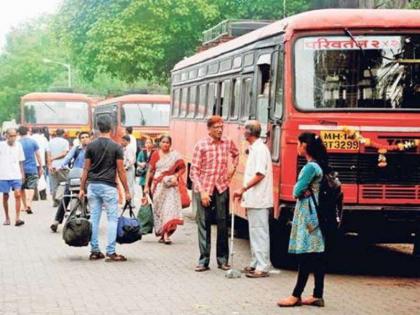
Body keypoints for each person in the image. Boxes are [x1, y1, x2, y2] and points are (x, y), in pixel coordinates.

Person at [277, 132, 327, 308]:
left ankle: (296, 295)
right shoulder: (319, 165)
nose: (297, 147)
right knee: (317, 254)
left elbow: (296, 191)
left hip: (308, 214)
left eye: (299, 144)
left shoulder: (310, 168)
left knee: (305, 254)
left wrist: (301, 190)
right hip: (315, 214)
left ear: (305, 146)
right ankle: (317, 294)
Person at [190, 115, 239, 272]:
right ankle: (204, 260)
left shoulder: (227, 143)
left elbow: (236, 153)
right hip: (204, 188)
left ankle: (222, 259)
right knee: (204, 223)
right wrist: (203, 191)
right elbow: (194, 172)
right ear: (209, 129)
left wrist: (233, 168)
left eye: (221, 127)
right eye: (216, 128)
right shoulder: (201, 145)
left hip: (222, 187)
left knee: (223, 223)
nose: (219, 130)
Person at [79, 115, 131, 262]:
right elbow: (121, 171)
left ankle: (95, 251)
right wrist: (127, 191)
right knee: (112, 219)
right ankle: (111, 251)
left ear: (97, 128)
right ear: (112, 128)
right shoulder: (116, 147)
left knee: (94, 219)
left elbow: (85, 169)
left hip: (93, 186)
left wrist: (82, 188)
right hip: (108, 187)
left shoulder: (91, 146)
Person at [233, 120, 273, 278]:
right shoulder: (255, 148)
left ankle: (263, 265)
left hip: (259, 197)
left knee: (259, 232)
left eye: (245, 130)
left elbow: (260, 173)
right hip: (254, 198)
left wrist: (243, 188)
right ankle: (255, 262)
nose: (243, 132)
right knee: (254, 231)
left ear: (249, 133)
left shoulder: (260, 150)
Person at [143, 135, 185, 244]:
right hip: (158, 186)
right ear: (160, 143)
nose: (165, 144)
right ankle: (162, 233)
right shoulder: (156, 154)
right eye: (163, 142)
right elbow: (150, 171)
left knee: (169, 209)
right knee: (159, 210)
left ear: (170, 144)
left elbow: (182, 168)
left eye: (167, 142)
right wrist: (146, 186)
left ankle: (166, 235)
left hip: (171, 186)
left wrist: (175, 176)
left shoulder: (175, 155)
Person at [50, 131, 90, 232]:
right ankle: (56, 221)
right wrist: (59, 167)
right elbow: (67, 159)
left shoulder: (93, 149)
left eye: (86, 137)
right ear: (80, 140)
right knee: (66, 195)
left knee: (91, 196)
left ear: (90, 138)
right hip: (75, 175)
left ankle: (92, 218)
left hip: (88, 177)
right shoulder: (76, 149)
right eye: (82, 137)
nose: (85, 139)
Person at [0, 128, 25, 226]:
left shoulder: (19, 145)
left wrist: (22, 173)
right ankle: (7, 218)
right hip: (3, 175)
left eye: (15, 136)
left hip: (16, 174)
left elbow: (21, 161)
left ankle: (18, 218)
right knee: (5, 196)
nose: (13, 138)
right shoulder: (1, 146)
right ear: (6, 136)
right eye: (11, 136)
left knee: (18, 194)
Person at [18, 126, 43, 214]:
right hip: (32, 168)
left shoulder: (17, 143)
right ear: (28, 132)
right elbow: (38, 155)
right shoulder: (33, 142)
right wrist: (41, 166)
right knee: (32, 187)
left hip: (20, 169)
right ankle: (29, 203)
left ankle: (24, 205)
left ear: (18, 133)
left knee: (22, 188)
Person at [48, 128, 70, 207]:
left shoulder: (50, 142)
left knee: (54, 184)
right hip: (62, 166)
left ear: (56, 134)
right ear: (63, 134)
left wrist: (50, 164)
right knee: (64, 183)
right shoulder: (65, 142)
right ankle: (59, 198)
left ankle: (55, 201)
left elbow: (48, 155)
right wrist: (54, 158)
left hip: (53, 165)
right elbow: (64, 154)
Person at [31, 127, 49, 200]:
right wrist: (47, 161)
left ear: (32, 131)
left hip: (32, 162)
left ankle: (35, 197)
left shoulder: (30, 138)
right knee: (42, 178)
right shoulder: (44, 139)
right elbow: (47, 151)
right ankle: (43, 196)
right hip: (42, 162)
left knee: (33, 179)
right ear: (39, 132)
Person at [121, 135, 136, 205]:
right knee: (129, 185)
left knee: (129, 186)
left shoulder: (129, 148)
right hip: (128, 168)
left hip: (128, 169)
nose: (122, 142)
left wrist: (126, 167)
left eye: (123, 141)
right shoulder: (127, 148)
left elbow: (131, 160)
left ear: (127, 141)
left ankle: (130, 202)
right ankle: (129, 202)